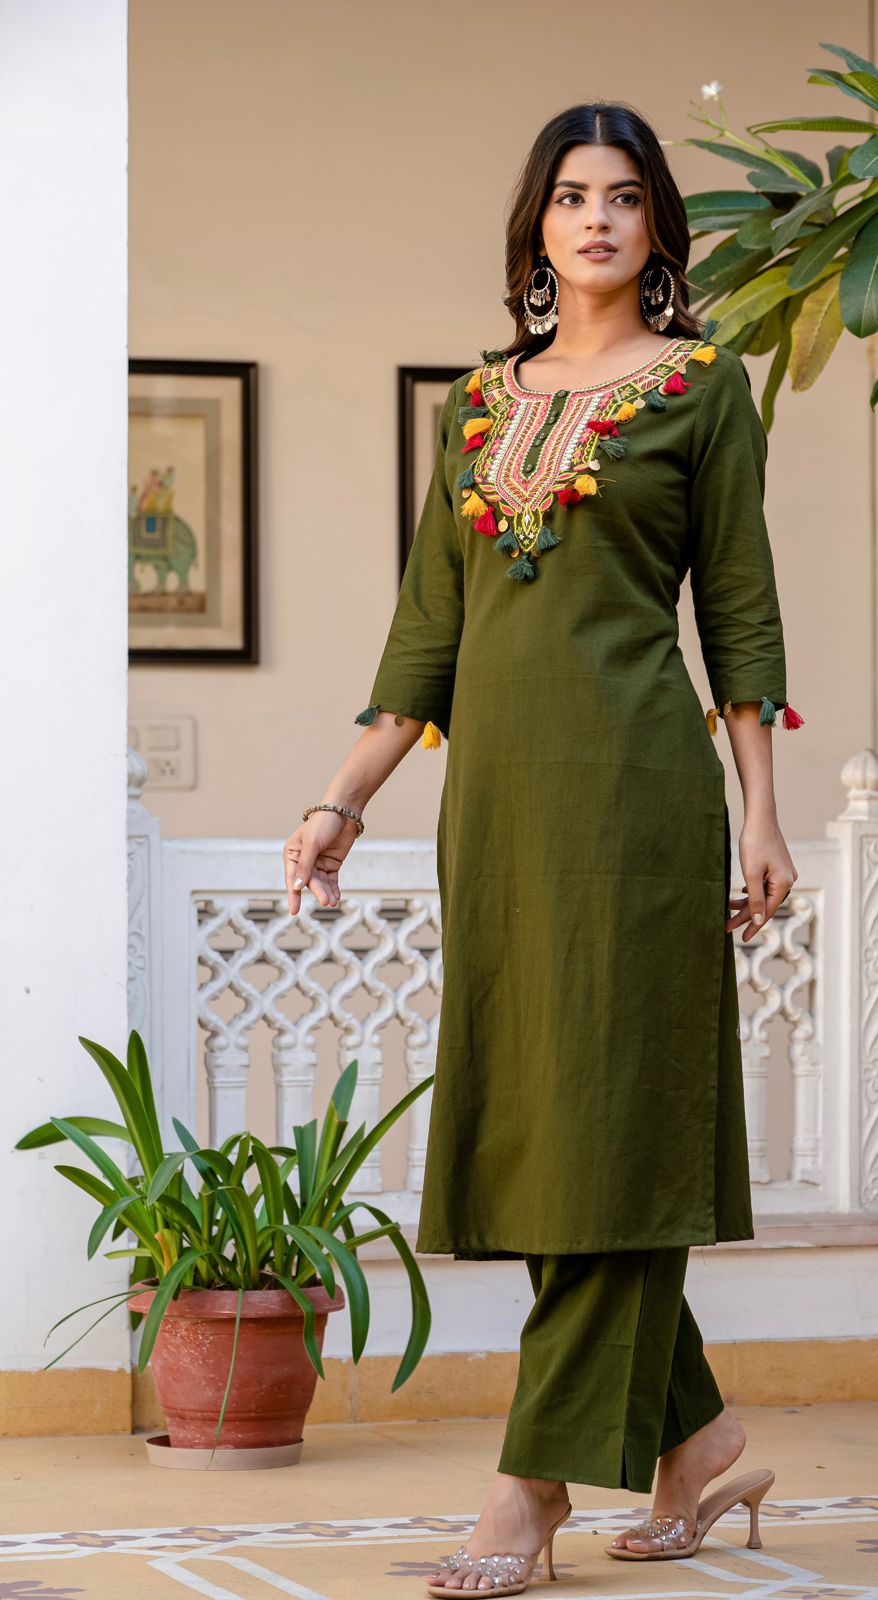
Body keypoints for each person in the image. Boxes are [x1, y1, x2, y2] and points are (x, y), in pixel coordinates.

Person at [282, 100, 802, 1596]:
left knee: (616, 1122)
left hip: (639, 799)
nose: (596, 219)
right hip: (501, 811)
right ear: (537, 226)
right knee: (555, 1125)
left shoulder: (704, 388)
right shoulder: (475, 404)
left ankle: (531, 1486)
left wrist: (761, 809)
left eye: (624, 197)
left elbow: (739, 609)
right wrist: (342, 799)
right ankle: (699, 1442)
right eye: (572, 196)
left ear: (656, 228)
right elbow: (426, 630)